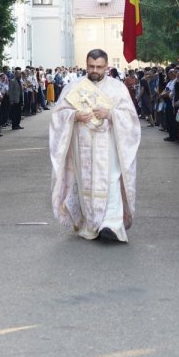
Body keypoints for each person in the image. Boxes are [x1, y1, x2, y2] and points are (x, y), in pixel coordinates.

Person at [49, 49, 141, 242]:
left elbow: (131, 118)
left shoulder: (117, 88)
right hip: (82, 147)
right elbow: (58, 114)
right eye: (91, 66)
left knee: (111, 181)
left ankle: (111, 226)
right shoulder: (74, 87)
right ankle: (90, 224)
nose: (95, 70)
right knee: (85, 184)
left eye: (99, 67)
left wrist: (111, 114)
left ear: (106, 66)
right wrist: (74, 115)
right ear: (86, 64)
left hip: (109, 147)